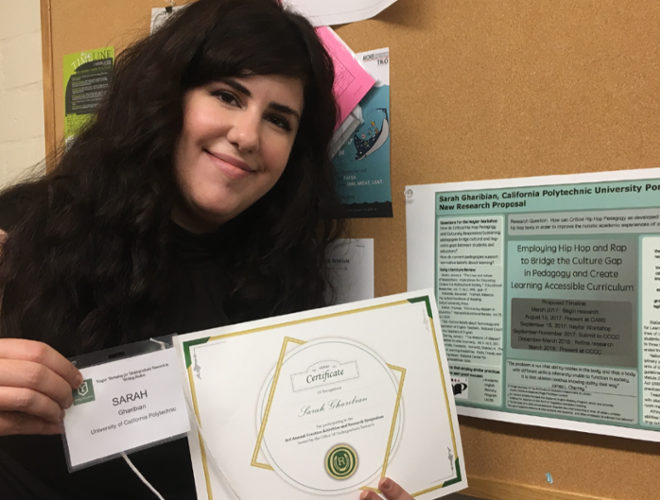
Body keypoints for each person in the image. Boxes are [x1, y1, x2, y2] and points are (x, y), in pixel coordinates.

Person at [0, 1, 415, 499]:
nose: (246, 136)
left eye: (279, 120)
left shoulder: (286, 287)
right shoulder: (22, 232)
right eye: (226, 95)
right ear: (167, 95)